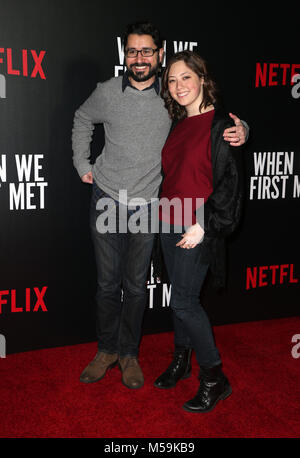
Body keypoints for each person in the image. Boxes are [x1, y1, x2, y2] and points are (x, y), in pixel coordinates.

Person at [72, 21, 248, 390]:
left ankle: (130, 354)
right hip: (107, 199)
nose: (139, 58)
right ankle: (107, 351)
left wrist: (243, 128)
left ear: (159, 54)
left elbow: (214, 125)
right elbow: (82, 118)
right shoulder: (111, 92)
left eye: (147, 51)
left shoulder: (171, 101)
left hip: (149, 207)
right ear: (125, 54)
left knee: (136, 286)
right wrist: (82, 165)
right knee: (107, 285)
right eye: (132, 51)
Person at [154, 50, 243, 412]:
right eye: (172, 80)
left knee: (185, 302)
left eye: (185, 77)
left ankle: (214, 377)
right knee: (180, 297)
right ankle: (181, 360)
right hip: (167, 220)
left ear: (203, 79)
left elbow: (229, 187)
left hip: (196, 226)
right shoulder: (177, 124)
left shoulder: (223, 127)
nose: (178, 86)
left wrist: (203, 225)